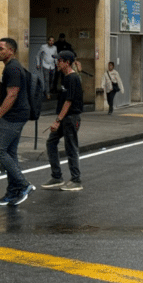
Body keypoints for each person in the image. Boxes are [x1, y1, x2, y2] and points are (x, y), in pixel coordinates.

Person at [0, 37, 35, 206]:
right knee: (11, 154)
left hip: (13, 116)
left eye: (1, 49)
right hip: (18, 115)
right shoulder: (11, 67)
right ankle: (11, 192)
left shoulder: (12, 69)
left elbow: (12, 94)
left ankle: (24, 185)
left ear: (11, 51)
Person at [42, 50, 85, 191]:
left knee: (71, 147)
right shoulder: (65, 77)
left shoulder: (73, 78)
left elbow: (68, 101)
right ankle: (56, 176)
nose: (57, 63)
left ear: (67, 62)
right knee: (51, 142)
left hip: (70, 118)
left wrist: (57, 120)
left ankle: (76, 180)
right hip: (64, 118)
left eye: (59, 60)